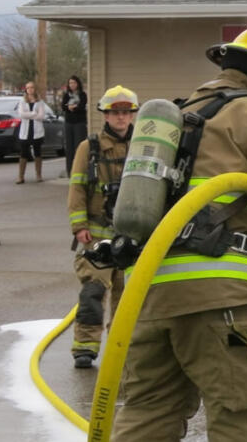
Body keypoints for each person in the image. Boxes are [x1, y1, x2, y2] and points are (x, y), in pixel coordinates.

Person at [112, 21, 247, 442]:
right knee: (242, 419)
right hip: (225, 303)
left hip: (152, 298)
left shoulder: (181, 117)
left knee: (147, 416)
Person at [67, 85, 137, 369]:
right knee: (93, 292)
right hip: (97, 233)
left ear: (133, 115)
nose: (121, 118)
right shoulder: (89, 147)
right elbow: (77, 188)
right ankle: (85, 347)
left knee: (128, 297)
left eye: (126, 112)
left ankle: (122, 348)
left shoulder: (142, 146)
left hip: (132, 234)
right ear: (105, 115)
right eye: (115, 113)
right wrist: (79, 226)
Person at [17, 81, 46, 184]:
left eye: (32, 88)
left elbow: (41, 116)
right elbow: (21, 114)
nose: (30, 90)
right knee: (23, 153)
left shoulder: (40, 102)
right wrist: (34, 113)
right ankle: (21, 176)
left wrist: (29, 114)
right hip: (25, 131)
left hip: (37, 131)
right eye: (28, 88)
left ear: (35, 89)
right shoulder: (22, 101)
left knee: (38, 152)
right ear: (26, 89)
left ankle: (38, 175)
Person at [62, 75, 89, 179]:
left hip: (79, 123)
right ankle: (70, 172)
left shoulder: (82, 94)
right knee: (69, 148)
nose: (72, 85)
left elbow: (82, 106)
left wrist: (73, 108)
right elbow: (63, 106)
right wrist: (68, 107)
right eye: (70, 83)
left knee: (79, 147)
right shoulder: (66, 95)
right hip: (69, 123)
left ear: (78, 84)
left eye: (74, 83)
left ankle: (80, 171)